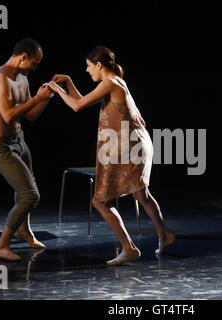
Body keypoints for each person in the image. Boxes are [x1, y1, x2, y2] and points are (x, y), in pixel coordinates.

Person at [47, 46, 175, 266]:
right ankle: (164, 235)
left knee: (100, 201)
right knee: (141, 194)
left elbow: (77, 106)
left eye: (88, 66)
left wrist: (56, 90)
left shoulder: (110, 83)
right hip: (135, 145)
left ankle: (129, 248)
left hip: (129, 148)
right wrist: (67, 82)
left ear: (99, 65)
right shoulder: (116, 82)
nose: (87, 71)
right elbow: (84, 100)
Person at [0, 38, 54, 261]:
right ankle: (1, 245)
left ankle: (24, 230)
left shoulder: (22, 78)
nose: (34, 68)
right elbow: (8, 115)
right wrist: (37, 99)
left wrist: (45, 98)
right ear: (23, 56)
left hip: (18, 140)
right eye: (33, 63)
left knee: (26, 189)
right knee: (30, 194)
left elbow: (30, 115)